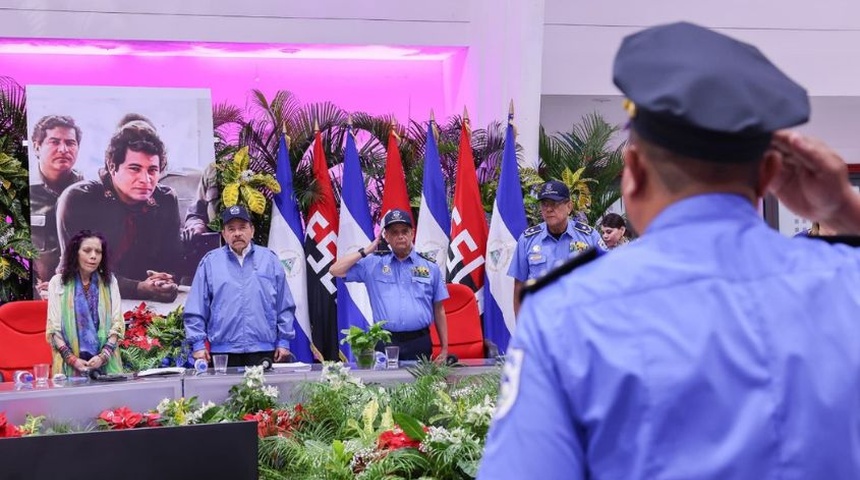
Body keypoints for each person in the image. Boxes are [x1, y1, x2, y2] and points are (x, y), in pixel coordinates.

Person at [479, 22, 860, 479]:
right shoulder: (846, 284)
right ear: (768, 175)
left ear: (633, 172)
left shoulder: (567, 316)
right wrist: (844, 209)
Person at [56, 114, 181, 302]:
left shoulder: (165, 200)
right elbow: (77, 272)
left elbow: (173, 261)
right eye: (135, 169)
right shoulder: (79, 199)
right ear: (112, 167)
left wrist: (166, 279)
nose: (146, 180)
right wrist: (138, 288)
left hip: (151, 304)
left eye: (152, 170)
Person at [329, 208, 449, 361]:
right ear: (386, 236)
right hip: (385, 340)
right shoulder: (373, 264)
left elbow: (439, 310)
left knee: (422, 384)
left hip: (419, 341)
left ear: (412, 233)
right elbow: (335, 270)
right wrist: (367, 250)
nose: (400, 236)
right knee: (386, 384)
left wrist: (445, 348)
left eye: (404, 231)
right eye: (394, 232)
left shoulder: (430, 267)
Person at [183, 205, 296, 367]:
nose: (237, 233)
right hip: (223, 351)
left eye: (242, 228)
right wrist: (198, 344)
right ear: (224, 234)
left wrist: (284, 341)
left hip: (263, 349)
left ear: (252, 230)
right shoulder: (210, 262)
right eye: (231, 229)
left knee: (264, 393)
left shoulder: (269, 260)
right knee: (224, 393)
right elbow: (196, 307)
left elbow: (284, 305)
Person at [507, 180, 603, 315]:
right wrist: (521, 329)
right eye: (544, 204)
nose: (548, 209)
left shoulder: (589, 237)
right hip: (541, 321)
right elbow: (519, 287)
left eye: (554, 203)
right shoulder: (527, 240)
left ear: (569, 207)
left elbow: (604, 282)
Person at [45, 230, 124, 378]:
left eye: (98, 252)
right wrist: (73, 360)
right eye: (87, 251)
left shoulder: (110, 282)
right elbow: (53, 329)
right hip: (69, 366)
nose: (93, 256)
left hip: (106, 365)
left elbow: (117, 323)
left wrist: (103, 357)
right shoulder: (58, 282)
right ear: (76, 253)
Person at [29, 115, 85, 297]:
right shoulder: (20, 191)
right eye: (54, 142)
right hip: (34, 296)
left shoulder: (87, 193)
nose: (63, 149)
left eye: (70, 143)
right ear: (37, 147)